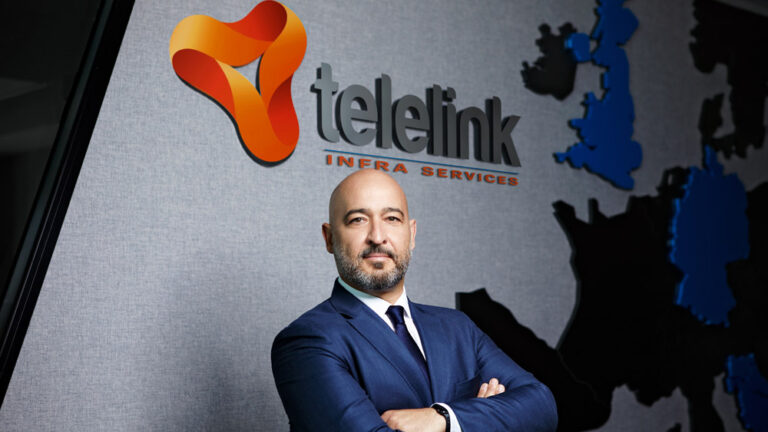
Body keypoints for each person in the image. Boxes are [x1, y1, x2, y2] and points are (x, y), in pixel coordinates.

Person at [271, 169, 557, 432]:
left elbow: (542, 407)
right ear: (329, 238)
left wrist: (444, 418)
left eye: (392, 219)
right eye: (358, 219)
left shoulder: (457, 327)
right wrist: (486, 417)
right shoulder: (307, 340)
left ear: (412, 234)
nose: (377, 236)